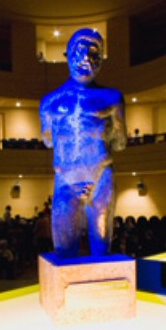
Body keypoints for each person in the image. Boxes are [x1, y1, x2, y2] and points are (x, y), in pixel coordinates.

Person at [39, 28, 127, 258]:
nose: (86, 58)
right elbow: (47, 140)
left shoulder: (112, 98)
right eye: (80, 50)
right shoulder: (49, 102)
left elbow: (120, 142)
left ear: (102, 59)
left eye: (93, 53)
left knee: (101, 250)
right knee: (64, 250)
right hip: (66, 178)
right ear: (68, 54)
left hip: (100, 176)